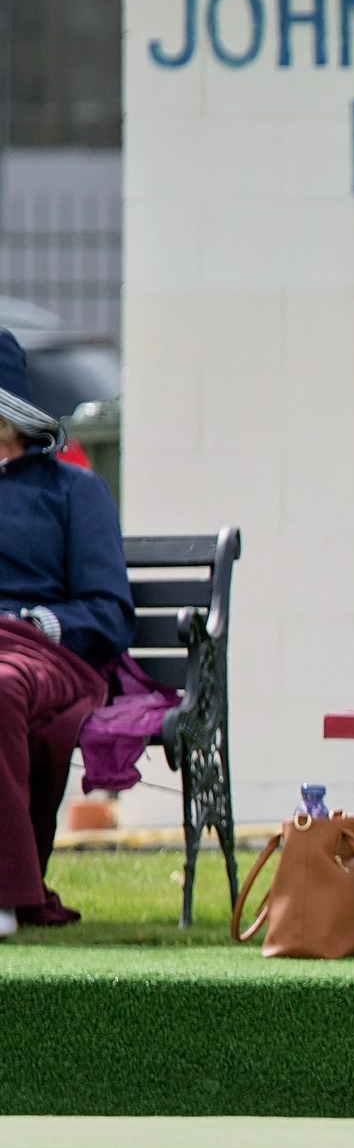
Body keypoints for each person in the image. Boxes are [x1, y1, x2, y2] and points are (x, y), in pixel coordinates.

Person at [0, 332, 132, 937]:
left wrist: (39, 624)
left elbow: (108, 613)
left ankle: (6, 894)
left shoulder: (75, 491)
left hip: (41, 653)